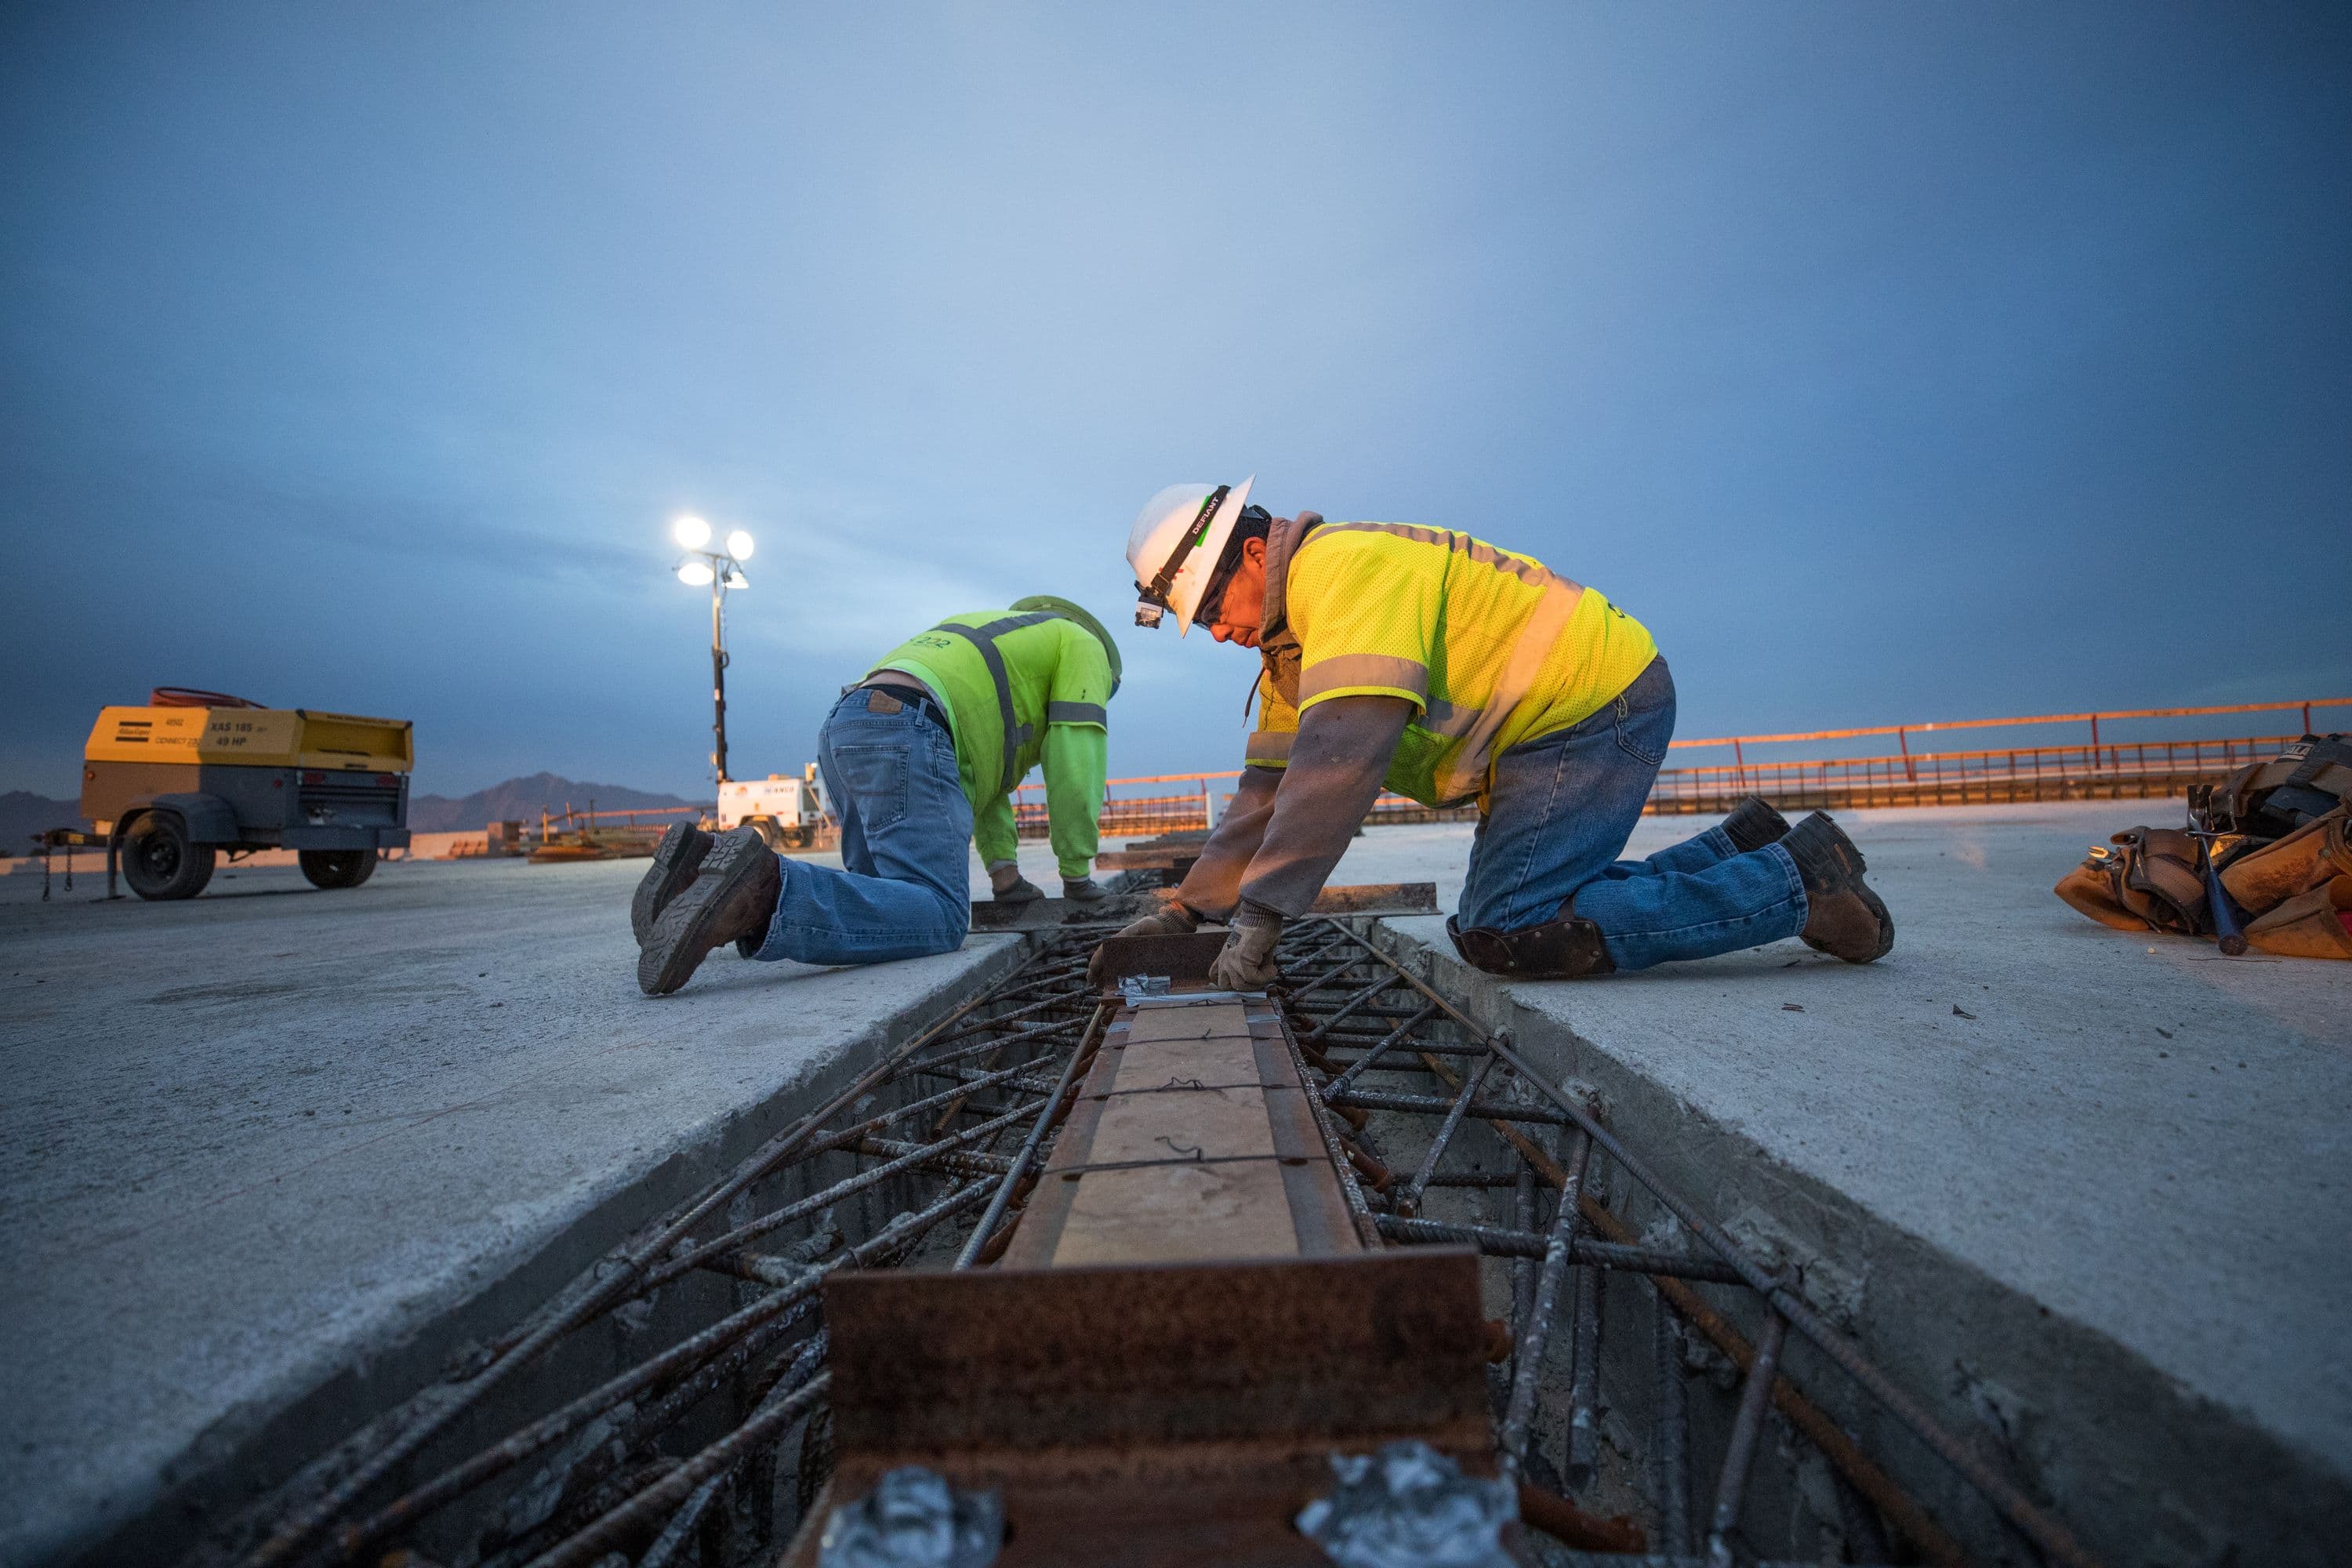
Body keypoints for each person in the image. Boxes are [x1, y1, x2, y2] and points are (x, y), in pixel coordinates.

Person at [1106, 480, 1893, 991]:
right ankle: (1743, 850)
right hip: (1547, 730)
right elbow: (1267, 796)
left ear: (1252, 552)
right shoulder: (1291, 649)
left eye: (1211, 609)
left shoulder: (1343, 576)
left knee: (1508, 927)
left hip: (1590, 706)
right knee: (1513, 909)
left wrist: (1264, 916)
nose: (1213, 633)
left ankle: (1794, 887)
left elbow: (1335, 768)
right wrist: (1193, 908)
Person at [635, 595, 1121, 995]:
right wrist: (1077, 875)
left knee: (884, 908)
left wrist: (1007, 879)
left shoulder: (997, 635)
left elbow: (986, 789)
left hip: (848, 723)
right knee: (941, 915)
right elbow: (1076, 760)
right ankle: (760, 891)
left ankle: (696, 876)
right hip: (910, 729)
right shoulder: (1082, 645)